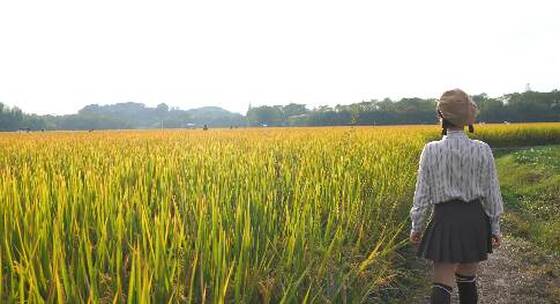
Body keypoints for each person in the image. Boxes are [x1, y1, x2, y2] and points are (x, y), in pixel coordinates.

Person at [409, 89, 504, 304]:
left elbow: (422, 195)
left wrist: (417, 226)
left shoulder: (431, 150)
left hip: (445, 220)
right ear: (467, 118)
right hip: (474, 220)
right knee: (467, 279)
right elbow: (491, 192)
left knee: (442, 283)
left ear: (442, 116)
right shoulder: (482, 150)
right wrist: (495, 226)